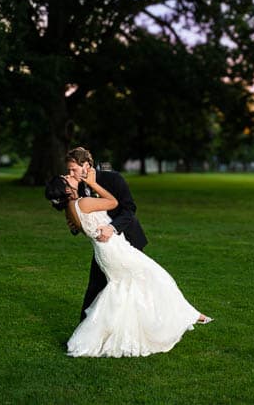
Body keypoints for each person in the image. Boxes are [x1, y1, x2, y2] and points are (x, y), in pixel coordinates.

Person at [44, 168, 212, 358]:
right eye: (66, 178)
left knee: (126, 290)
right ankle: (187, 316)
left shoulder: (70, 209)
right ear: (67, 190)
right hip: (116, 251)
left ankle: (119, 332)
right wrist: (93, 184)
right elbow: (113, 202)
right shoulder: (83, 202)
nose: (70, 175)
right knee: (158, 277)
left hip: (107, 251)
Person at [60, 147, 148, 321]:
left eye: (74, 169)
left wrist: (112, 228)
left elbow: (129, 209)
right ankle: (83, 332)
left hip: (129, 240)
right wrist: (76, 225)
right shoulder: (76, 186)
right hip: (104, 246)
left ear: (86, 165)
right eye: (68, 170)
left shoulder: (112, 178)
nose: (70, 173)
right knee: (96, 285)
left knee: (133, 286)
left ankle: (137, 324)